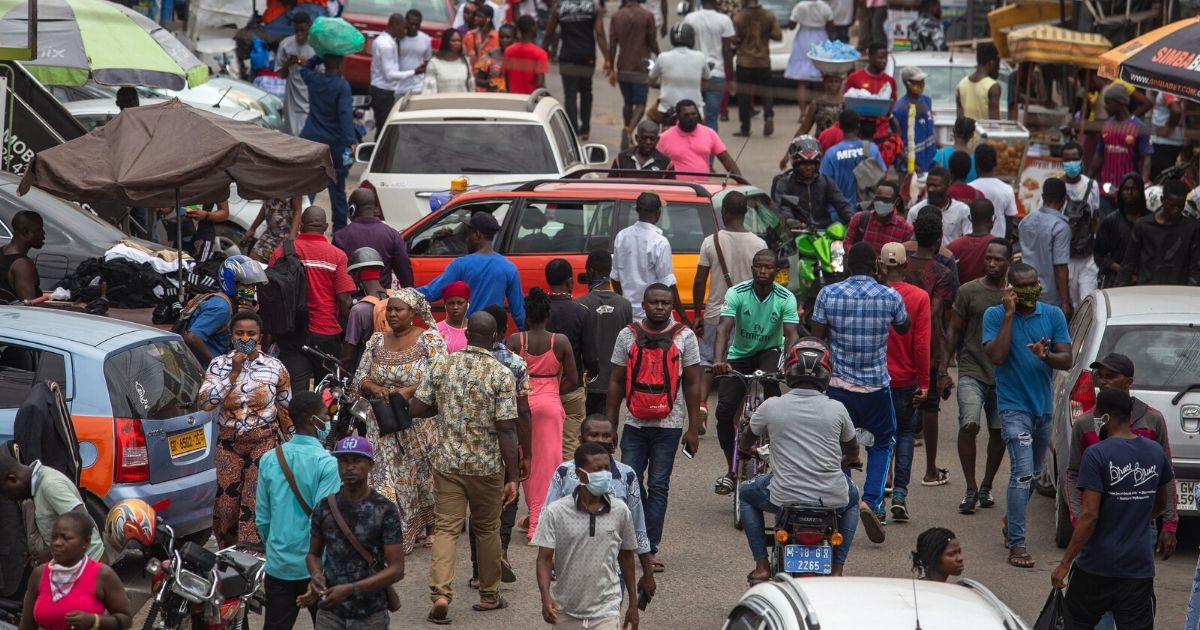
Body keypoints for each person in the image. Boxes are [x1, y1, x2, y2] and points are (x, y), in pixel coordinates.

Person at [408, 312, 521, 623]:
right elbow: (507, 429)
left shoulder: (443, 364)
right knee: (486, 529)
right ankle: (488, 596)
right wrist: (514, 476)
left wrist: (446, 406)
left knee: (446, 528)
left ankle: (441, 594)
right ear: (496, 336)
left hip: (447, 462)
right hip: (485, 467)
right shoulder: (501, 374)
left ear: (468, 334)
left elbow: (417, 408)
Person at [737, 339, 861, 579]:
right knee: (854, 499)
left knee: (746, 493)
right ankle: (837, 569)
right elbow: (852, 450)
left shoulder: (771, 406)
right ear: (826, 374)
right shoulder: (837, 408)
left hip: (783, 495)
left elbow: (746, 441)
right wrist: (849, 460)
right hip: (830, 497)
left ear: (788, 371)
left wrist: (747, 451)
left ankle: (762, 566)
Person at [810, 242, 910, 536]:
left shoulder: (828, 294)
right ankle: (870, 501)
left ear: (846, 266)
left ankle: (845, 499)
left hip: (839, 386)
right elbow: (904, 327)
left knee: (840, 443)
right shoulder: (890, 295)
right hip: (876, 386)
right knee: (882, 442)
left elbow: (818, 339)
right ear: (877, 266)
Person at [1052, 389, 1172, 628]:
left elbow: (1089, 515)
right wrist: (1134, 515)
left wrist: (1065, 563)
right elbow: (1161, 503)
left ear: (1105, 417)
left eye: (1096, 414)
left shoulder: (1097, 454)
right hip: (1137, 569)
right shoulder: (1154, 452)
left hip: (1096, 567)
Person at [606, 283, 702, 573]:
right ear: (643, 304)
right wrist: (610, 425)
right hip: (634, 422)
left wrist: (693, 428)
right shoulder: (627, 335)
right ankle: (638, 538)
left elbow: (694, 383)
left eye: (665, 303)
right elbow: (615, 381)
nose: (660, 307)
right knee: (628, 483)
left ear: (672, 305)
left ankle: (649, 548)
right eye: (654, 302)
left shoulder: (685, 336)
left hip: (669, 425)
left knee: (659, 485)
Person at [982, 262, 1071, 568]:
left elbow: (1067, 359)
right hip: (1012, 407)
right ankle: (1017, 545)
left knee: (1031, 477)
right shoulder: (994, 315)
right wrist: (1008, 314)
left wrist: (1047, 355)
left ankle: (1012, 516)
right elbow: (996, 356)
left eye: (1034, 284)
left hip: (1043, 409)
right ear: (1010, 289)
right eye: (1022, 287)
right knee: (1021, 474)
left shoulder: (1053, 315)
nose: (1030, 290)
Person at [351, 289, 446, 554]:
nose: (392, 314)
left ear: (413, 313)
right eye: (389, 309)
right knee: (384, 476)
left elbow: (440, 376)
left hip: (418, 422)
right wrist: (374, 388)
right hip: (381, 422)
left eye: (398, 309)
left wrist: (405, 392)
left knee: (421, 477)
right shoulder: (376, 341)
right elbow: (360, 379)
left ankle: (430, 526)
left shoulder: (430, 340)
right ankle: (392, 532)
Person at [1064, 353, 1178, 560]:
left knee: (1135, 584)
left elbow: (1166, 474)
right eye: (1100, 376)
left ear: (1128, 382)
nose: (1103, 382)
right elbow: (1073, 473)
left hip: (1139, 529)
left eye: (1110, 376)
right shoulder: (1085, 423)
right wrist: (1079, 517)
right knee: (1092, 583)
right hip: (1095, 524)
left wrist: (1169, 523)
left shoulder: (1151, 420)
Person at [199, 310, 293, 547]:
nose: (245, 338)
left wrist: (292, 445)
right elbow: (205, 402)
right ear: (231, 336)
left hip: (263, 441)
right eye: (239, 333)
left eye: (251, 333)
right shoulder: (218, 365)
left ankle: (253, 554)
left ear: (260, 337)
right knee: (226, 506)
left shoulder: (275, 367)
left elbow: (285, 407)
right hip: (229, 443)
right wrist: (233, 374)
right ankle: (229, 552)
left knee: (254, 500)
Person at [711, 250, 801, 492]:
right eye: (758, 267)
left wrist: (786, 365)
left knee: (777, 408)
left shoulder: (786, 297)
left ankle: (778, 461)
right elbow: (723, 329)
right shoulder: (736, 293)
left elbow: (791, 334)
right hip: (739, 355)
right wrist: (719, 361)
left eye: (768, 267)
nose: (763, 271)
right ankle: (731, 469)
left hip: (770, 352)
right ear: (752, 268)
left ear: (776, 271)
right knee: (724, 412)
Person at [540, 416, 655, 595]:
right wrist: (550, 559)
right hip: (571, 569)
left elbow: (637, 527)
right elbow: (547, 519)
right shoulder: (564, 473)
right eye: (594, 435)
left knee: (608, 620)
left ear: (614, 441)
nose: (600, 440)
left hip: (613, 574)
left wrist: (648, 574)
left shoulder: (627, 476)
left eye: (606, 436)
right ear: (581, 440)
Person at [256, 391, 341, 630]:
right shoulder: (328, 464)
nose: (328, 420)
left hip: (279, 564)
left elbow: (262, 518)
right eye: (326, 415)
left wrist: (276, 544)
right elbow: (324, 520)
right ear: (314, 420)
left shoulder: (270, 459)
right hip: (317, 568)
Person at [533, 443, 640, 630]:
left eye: (607, 468)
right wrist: (545, 597)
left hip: (606, 610)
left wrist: (632, 603)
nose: (605, 474)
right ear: (580, 473)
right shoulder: (556, 512)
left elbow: (626, 556)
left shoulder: (620, 511)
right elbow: (544, 558)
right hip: (564, 610)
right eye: (597, 469)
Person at [301, 437, 404, 630]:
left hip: (371, 613)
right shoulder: (324, 508)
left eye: (356, 461)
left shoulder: (384, 510)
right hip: (330, 613)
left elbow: (397, 569)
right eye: (344, 461)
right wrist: (316, 575)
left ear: (371, 465)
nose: (349, 467)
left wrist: (351, 589)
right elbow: (313, 554)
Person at [467, 303, 533, 589]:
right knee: (509, 495)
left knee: (479, 507)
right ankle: (502, 548)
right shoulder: (516, 364)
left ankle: (477, 569)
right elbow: (524, 412)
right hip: (506, 442)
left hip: (471, 444)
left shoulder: (460, 360)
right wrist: (526, 453)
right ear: (503, 332)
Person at [945, 237, 1009, 514]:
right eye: (988, 258)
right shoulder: (969, 291)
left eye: (998, 259)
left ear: (1008, 262)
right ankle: (970, 488)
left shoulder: (1013, 296)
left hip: (1004, 374)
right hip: (971, 367)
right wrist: (942, 369)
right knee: (969, 424)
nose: (992, 263)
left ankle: (986, 486)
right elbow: (954, 330)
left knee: (999, 431)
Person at [693, 192, 767, 430]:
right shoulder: (758, 244)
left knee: (708, 361)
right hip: (748, 316)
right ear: (746, 213)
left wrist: (697, 313)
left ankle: (702, 404)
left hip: (716, 311)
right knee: (737, 365)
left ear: (723, 211)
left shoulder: (710, 241)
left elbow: (699, 281)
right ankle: (735, 417)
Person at [510, 287, 577, 540]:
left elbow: (506, 377)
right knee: (550, 464)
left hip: (522, 405)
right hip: (550, 404)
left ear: (526, 315)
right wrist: (553, 392)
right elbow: (573, 379)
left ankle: (534, 517)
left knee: (527, 459)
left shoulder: (516, 341)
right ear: (548, 314)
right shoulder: (559, 341)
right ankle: (542, 519)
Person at [271, 207, 356, 389]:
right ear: (325, 226)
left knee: (296, 393)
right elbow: (343, 299)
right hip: (326, 333)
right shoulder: (337, 256)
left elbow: (270, 293)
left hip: (291, 332)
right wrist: (353, 331)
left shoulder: (281, 252)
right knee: (327, 393)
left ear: (301, 226)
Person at [903, 214, 955, 490]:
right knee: (930, 404)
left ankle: (889, 474)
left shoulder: (899, 266)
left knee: (896, 405)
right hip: (926, 345)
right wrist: (942, 363)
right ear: (938, 241)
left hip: (896, 343)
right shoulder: (942, 273)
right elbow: (936, 316)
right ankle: (930, 471)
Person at [880, 243, 930, 523]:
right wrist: (925, 381)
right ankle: (899, 493)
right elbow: (922, 343)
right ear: (905, 265)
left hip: (877, 378)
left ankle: (877, 498)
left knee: (881, 436)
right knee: (906, 433)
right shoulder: (919, 297)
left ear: (881, 265)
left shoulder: (874, 294)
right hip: (907, 378)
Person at [19, 513, 130, 630]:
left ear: (86, 543)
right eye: (54, 537)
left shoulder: (102, 575)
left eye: (65, 538)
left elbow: (126, 620)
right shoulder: (39, 574)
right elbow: (27, 624)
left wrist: (94, 620)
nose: (57, 543)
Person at [419, 211, 525, 328]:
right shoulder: (509, 267)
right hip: (493, 337)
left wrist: (401, 295)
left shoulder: (461, 264)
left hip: (468, 335)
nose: (466, 238)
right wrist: (526, 340)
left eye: (468, 234)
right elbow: (519, 313)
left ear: (477, 235)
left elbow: (431, 292)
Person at [0, 454, 105, 562]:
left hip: (88, 563)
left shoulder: (50, 486)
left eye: (5, 492)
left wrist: (51, 552)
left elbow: (83, 520)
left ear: (12, 479)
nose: (8, 498)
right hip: (70, 562)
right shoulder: (36, 485)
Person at [610, 192, 691, 323]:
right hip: (655, 318)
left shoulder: (622, 236)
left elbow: (615, 278)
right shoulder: (659, 242)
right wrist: (683, 316)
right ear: (658, 213)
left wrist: (624, 305)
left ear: (637, 210)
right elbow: (668, 284)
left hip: (630, 316)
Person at [299, 56, 355, 231]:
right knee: (337, 189)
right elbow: (345, 115)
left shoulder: (314, 79)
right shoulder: (342, 86)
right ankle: (339, 230)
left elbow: (304, 69)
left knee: (308, 186)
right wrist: (351, 141)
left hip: (311, 141)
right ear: (340, 65)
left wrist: (319, 56)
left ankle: (304, 224)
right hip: (335, 145)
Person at [544, 260, 593, 460]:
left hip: (541, 385)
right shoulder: (581, 311)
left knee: (544, 441)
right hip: (572, 387)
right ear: (570, 282)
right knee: (570, 442)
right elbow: (590, 355)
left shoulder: (537, 310)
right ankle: (568, 487)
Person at [576, 251, 634, 416]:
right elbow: (629, 346)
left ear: (591, 271)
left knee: (587, 430)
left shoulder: (580, 305)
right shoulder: (625, 305)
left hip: (587, 384)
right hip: (615, 383)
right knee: (609, 429)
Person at [182, 255, 268, 366]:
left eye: (253, 286)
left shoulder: (233, 305)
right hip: (201, 368)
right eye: (247, 286)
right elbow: (192, 338)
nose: (251, 291)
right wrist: (216, 366)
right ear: (231, 283)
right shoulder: (221, 308)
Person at [1117, 178, 1200, 286]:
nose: (1176, 210)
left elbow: (1195, 268)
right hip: (1147, 291)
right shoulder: (1143, 226)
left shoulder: (1191, 228)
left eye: (1180, 206)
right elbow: (1128, 264)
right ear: (1162, 200)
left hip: (1178, 294)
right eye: (1172, 206)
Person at [545, 0, 608, 140]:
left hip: (568, 55)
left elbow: (549, 32)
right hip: (587, 56)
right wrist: (607, 58)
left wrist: (543, 50)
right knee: (586, 91)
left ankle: (572, 131)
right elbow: (600, 33)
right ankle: (585, 129)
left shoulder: (559, 8)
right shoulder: (593, 7)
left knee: (570, 93)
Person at [332, 188, 413, 290]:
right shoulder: (392, 234)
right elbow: (405, 272)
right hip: (381, 300)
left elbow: (335, 275)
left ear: (352, 208)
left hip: (350, 300)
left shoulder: (340, 236)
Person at [1093, 83, 1154, 217]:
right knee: (1106, 228)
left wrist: (1142, 183)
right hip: (1106, 191)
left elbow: (1146, 158)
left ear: (1119, 103)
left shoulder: (1139, 127)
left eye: (1108, 103)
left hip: (1129, 192)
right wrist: (1089, 178)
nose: (1105, 107)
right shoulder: (1106, 126)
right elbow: (1099, 155)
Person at [1019, 178, 1074, 319]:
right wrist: (1065, 302)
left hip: (1023, 288)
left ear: (1043, 197)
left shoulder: (1025, 221)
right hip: (1049, 296)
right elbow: (1060, 267)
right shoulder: (1060, 227)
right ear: (1064, 199)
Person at [607, 0, 657, 149]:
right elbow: (652, 41)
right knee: (640, 103)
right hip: (641, 66)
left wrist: (611, 68)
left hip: (623, 67)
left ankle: (626, 127)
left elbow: (612, 45)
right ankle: (630, 130)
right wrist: (660, 56)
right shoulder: (647, 16)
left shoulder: (616, 16)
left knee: (628, 102)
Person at [772, 136, 853, 228]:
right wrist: (790, 220)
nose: (808, 167)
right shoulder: (784, 182)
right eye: (804, 164)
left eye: (812, 163)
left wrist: (852, 219)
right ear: (796, 164)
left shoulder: (825, 181)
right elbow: (782, 207)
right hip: (797, 232)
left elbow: (841, 204)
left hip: (824, 231)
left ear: (817, 164)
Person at [732, 0, 782, 138]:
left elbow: (733, 39)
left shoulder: (738, 17)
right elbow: (778, 35)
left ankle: (745, 128)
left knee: (744, 97)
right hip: (763, 61)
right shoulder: (768, 15)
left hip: (744, 61)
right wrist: (764, 34)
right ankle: (769, 117)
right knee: (766, 92)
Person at [656, 100, 742, 180]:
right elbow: (654, 161)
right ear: (678, 116)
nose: (691, 118)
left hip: (703, 188)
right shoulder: (665, 137)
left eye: (694, 114)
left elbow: (726, 159)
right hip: (677, 189)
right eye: (686, 115)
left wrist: (741, 181)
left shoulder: (710, 133)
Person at [683, 0, 735, 130]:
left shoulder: (690, 18)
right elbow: (727, 51)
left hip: (695, 74)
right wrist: (731, 78)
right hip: (717, 73)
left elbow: (685, 45)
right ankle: (710, 148)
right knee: (712, 117)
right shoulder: (725, 20)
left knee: (694, 116)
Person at [1061, 141, 1101, 307]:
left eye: (1074, 159)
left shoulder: (1092, 185)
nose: (1071, 163)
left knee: (1087, 301)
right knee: (1069, 301)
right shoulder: (1057, 186)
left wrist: (1096, 243)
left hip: (1087, 256)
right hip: (1065, 255)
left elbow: (1096, 217)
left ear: (1081, 160)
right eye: (1067, 160)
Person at [820, 109, 884, 210]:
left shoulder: (831, 153)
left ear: (840, 127)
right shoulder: (871, 148)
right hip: (864, 212)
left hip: (837, 214)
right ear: (858, 127)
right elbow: (881, 176)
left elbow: (823, 183)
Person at [1094, 172, 1147, 288]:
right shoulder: (1110, 221)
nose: (1129, 193)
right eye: (1126, 189)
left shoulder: (1150, 220)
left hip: (1145, 281)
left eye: (1134, 189)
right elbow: (1099, 255)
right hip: (1116, 281)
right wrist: (1123, 270)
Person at [780, 74, 845, 167]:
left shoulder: (846, 104)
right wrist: (787, 155)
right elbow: (803, 130)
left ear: (841, 83)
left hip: (841, 149)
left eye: (836, 81)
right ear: (825, 83)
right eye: (830, 81)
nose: (833, 84)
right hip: (822, 147)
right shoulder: (816, 104)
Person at [342, 248, 390, 366]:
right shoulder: (397, 297)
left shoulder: (359, 309)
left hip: (372, 370)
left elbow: (348, 356)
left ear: (356, 275)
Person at [650, 23, 709, 118]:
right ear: (691, 38)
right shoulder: (700, 57)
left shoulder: (662, 57)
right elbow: (706, 85)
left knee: (650, 115)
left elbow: (651, 81)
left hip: (667, 108)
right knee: (704, 126)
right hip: (695, 108)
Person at [844, 42, 895, 142]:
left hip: (882, 134)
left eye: (885, 58)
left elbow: (892, 105)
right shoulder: (855, 78)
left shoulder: (890, 81)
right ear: (870, 57)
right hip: (859, 133)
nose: (883, 61)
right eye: (880, 58)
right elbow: (846, 103)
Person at [782, 0, 831, 105]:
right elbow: (831, 25)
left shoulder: (800, 6)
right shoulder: (824, 6)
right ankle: (819, 109)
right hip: (820, 37)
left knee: (801, 81)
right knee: (821, 79)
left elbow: (792, 25)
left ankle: (803, 113)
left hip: (803, 38)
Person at [906, 167, 971, 246]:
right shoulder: (915, 211)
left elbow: (968, 240)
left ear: (948, 186)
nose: (930, 189)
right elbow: (909, 241)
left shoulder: (963, 210)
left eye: (935, 186)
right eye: (928, 185)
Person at [843, 180, 913, 253]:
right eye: (878, 199)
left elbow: (908, 256)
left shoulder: (906, 229)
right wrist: (858, 257)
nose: (881, 203)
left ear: (896, 202)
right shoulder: (859, 219)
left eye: (886, 200)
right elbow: (847, 243)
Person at [275, 12, 316, 136]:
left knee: (306, 134)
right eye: (296, 30)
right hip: (292, 96)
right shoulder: (286, 44)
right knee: (292, 133)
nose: (299, 33)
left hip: (310, 96)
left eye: (302, 30)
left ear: (309, 26)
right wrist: (288, 63)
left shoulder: (316, 46)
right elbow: (281, 74)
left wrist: (307, 65)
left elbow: (322, 75)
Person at [369, 13, 412, 128]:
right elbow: (389, 75)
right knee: (384, 127)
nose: (405, 31)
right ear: (396, 25)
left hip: (381, 89)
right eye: (404, 28)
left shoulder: (383, 40)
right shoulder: (386, 45)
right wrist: (414, 72)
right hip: (383, 91)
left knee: (383, 125)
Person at [968, 144, 1018, 240]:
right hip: (998, 245)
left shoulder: (969, 188)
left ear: (976, 164)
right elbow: (1009, 224)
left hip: (973, 243)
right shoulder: (1007, 189)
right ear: (996, 163)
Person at [893, 66, 936, 175]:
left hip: (930, 163)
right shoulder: (900, 109)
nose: (922, 84)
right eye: (918, 82)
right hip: (911, 168)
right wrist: (910, 163)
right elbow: (896, 142)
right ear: (908, 84)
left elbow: (929, 130)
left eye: (922, 81)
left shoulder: (926, 101)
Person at [947, 199, 997, 284]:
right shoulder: (999, 246)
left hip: (960, 296)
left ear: (970, 218)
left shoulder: (952, 246)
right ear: (993, 219)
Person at [0, 210, 44, 301]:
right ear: (26, 232)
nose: (43, 234)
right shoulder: (22, 265)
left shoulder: (2, 252)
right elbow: (29, 305)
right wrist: (70, 309)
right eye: (39, 229)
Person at [244, 197, 302, 263]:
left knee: (278, 268)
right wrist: (252, 228)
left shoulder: (292, 188)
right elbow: (265, 207)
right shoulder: (270, 188)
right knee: (252, 264)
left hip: (286, 236)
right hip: (270, 233)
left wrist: (292, 238)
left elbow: (297, 210)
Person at [956, 42, 1000, 121]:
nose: (998, 69)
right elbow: (995, 123)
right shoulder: (993, 87)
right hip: (986, 133)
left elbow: (959, 120)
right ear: (991, 63)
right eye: (998, 64)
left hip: (967, 133)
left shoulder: (961, 85)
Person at [504, 16, 548, 94]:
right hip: (530, 100)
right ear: (532, 28)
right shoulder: (540, 54)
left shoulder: (509, 51)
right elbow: (540, 84)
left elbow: (507, 78)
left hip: (513, 98)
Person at [395, 10, 433, 98]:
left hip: (418, 87)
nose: (413, 27)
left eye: (417, 24)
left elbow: (427, 61)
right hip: (398, 87)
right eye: (411, 23)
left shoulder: (426, 39)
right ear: (405, 21)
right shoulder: (397, 39)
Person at [1149, 91, 1185, 180]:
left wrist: (1168, 126)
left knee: (1160, 178)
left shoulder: (1167, 90)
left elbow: (1176, 111)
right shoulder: (1178, 89)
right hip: (1171, 142)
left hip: (1164, 143)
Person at [463, 4, 499, 90]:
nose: (475, 18)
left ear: (488, 18)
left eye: (479, 16)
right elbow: (463, 55)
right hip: (470, 80)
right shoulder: (469, 35)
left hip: (489, 83)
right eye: (476, 16)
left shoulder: (496, 37)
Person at [933, 117, 977, 182]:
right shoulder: (976, 158)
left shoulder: (941, 154)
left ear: (953, 130)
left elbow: (937, 181)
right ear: (972, 135)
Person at [480, 23, 516, 92]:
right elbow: (478, 80)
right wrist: (489, 83)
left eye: (508, 37)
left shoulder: (519, 55)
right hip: (494, 97)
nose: (504, 40)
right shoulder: (490, 53)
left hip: (514, 96)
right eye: (501, 37)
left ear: (514, 39)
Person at [435, 281, 470, 353]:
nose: (455, 307)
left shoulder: (475, 329)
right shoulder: (436, 330)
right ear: (445, 305)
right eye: (451, 303)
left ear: (467, 303)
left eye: (460, 303)